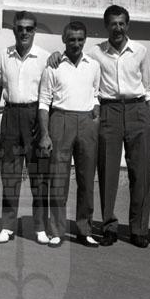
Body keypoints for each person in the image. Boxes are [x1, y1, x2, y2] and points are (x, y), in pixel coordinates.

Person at [48, 5, 150, 248]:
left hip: (138, 109)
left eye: (122, 23)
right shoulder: (95, 52)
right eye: (113, 24)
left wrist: (149, 113)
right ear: (106, 26)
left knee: (141, 172)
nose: (118, 28)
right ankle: (109, 226)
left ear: (127, 25)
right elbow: (72, 54)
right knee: (107, 172)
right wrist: (54, 54)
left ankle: (139, 229)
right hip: (109, 111)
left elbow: (149, 86)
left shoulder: (140, 50)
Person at [0, 11, 50, 245]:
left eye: (29, 28)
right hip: (11, 116)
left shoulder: (45, 57)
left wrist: (45, 130)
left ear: (35, 31)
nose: (24, 32)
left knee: (39, 176)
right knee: (10, 176)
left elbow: (50, 93)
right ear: (14, 30)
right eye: (20, 28)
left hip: (36, 116)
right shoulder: (4, 55)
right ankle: (7, 226)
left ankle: (40, 227)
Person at [38, 21, 100, 248]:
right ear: (64, 40)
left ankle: (85, 230)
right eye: (72, 39)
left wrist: (95, 111)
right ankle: (56, 230)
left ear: (85, 40)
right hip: (61, 119)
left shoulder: (93, 65)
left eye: (80, 39)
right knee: (58, 179)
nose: (76, 43)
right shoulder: (53, 66)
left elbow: (96, 92)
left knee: (86, 179)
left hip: (86, 122)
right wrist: (45, 134)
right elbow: (44, 102)